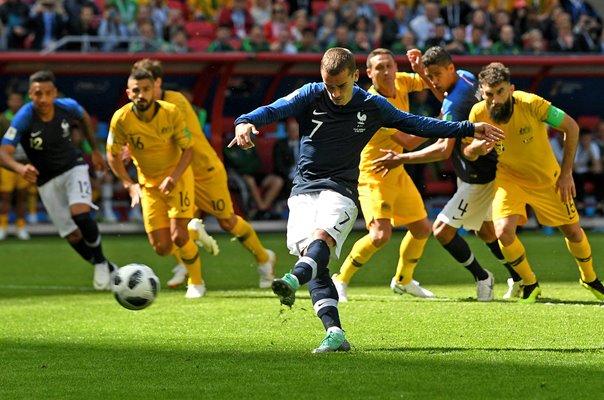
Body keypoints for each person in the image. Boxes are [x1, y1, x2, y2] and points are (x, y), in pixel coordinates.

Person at [229, 47, 504, 353]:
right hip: (303, 190)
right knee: (315, 260)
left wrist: (469, 126)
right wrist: (244, 121)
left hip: (342, 190)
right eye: (329, 86)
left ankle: (294, 278)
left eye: (341, 86)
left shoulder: (372, 104)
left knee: (322, 240)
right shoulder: (311, 93)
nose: (333, 93)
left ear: (356, 77)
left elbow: (417, 123)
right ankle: (334, 333)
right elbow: (273, 109)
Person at [373, 47, 522, 301]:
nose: (432, 81)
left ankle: (482, 277)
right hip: (484, 167)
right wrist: (421, 72)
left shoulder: (455, 103)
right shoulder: (465, 77)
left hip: (477, 173)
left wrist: (401, 159)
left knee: (442, 230)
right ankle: (520, 278)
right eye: (429, 76)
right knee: (485, 232)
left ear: (450, 68)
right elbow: (446, 98)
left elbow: (443, 150)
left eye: (436, 75)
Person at [131, 59, 276, 290]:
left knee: (227, 222)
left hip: (203, 171)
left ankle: (263, 258)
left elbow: (171, 140)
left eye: (149, 83)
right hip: (179, 176)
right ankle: (191, 268)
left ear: (157, 82)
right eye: (138, 85)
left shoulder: (174, 102)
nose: (143, 90)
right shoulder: (138, 113)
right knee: (172, 231)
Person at [469, 62, 604, 302]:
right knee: (502, 232)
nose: (495, 99)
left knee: (573, 232)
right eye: (489, 94)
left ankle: (589, 278)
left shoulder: (532, 103)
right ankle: (530, 283)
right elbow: (467, 152)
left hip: (547, 178)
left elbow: (571, 127)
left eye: (500, 92)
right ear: (482, 92)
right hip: (509, 179)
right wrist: (477, 148)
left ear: (511, 89)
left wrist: (565, 174)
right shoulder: (478, 113)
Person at [332, 48, 440, 302]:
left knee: (422, 228)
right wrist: (442, 121)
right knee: (380, 235)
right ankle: (341, 278)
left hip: (396, 168)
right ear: (369, 73)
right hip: (375, 173)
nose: (387, 71)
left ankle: (404, 280)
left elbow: (431, 82)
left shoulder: (401, 80)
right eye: (379, 67)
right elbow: (410, 142)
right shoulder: (374, 105)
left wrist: (420, 69)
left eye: (389, 65)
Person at [0, 70, 117, 290]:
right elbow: (3, 152)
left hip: (74, 167)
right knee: (72, 236)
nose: (42, 99)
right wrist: (18, 167)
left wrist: (95, 151)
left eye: (47, 93)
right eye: (37, 94)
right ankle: (109, 268)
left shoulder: (67, 106)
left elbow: (83, 117)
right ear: (30, 95)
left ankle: (100, 262)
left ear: (54, 93)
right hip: (46, 181)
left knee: (80, 213)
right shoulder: (25, 116)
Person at [106, 68, 205, 299]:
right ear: (129, 92)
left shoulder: (170, 112)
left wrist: (174, 177)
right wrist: (129, 184)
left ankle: (196, 282)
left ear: (154, 91)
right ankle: (194, 235)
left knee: (178, 236)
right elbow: (112, 154)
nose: (142, 95)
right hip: (148, 185)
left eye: (146, 89)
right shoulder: (121, 119)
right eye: (137, 90)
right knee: (161, 248)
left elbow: (188, 150)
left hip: (177, 179)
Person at [0, 91, 31, 240]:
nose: (16, 103)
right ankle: (3, 226)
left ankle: (21, 226)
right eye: (13, 100)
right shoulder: (2, 119)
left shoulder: (27, 118)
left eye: (19, 100)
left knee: (22, 197)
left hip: (23, 163)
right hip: (7, 165)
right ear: (8, 102)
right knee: (5, 196)